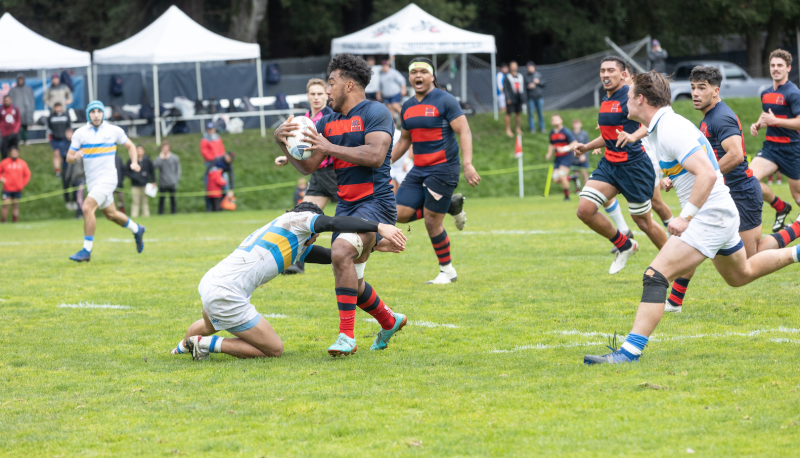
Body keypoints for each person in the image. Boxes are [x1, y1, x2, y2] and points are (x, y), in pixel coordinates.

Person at [584, 71, 800, 365]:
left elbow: (709, 172)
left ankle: (628, 353)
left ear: (641, 99)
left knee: (654, 275)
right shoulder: (663, 125)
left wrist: (685, 217)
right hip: (719, 213)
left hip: (710, 217)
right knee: (740, 275)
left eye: (629, 94)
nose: (624, 101)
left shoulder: (671, 128)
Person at [275, 53, 408, 356]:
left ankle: (346, 337)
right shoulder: (329, 122)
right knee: (350, 276)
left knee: (341, 252)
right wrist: (281, 141)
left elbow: (376, 156)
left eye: (331, 83)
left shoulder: (377, 112)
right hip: (348, 207)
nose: (327, 91)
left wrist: (328, 146)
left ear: (349, 85)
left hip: (377, 203)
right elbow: (309, 167)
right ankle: (389, 320)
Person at [170, 202, 407, 360]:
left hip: (213, 281)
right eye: (315, 235)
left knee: (209, 323)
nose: (314, 240)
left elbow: (331, 256)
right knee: (273, 349)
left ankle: (180, 349)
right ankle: (204, 344)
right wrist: (378, 227)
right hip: (227, 294)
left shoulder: (283, 234)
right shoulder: (301, 221)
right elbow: (334, 223)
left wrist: (373, 245)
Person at [666, 65, 800, 313]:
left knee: (750, 259)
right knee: (691, 236)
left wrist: (708, 177)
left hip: (741, 194)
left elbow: (736, 155)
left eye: (702, 88)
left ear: (716, 91)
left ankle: (797, 230)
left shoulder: (721, 117)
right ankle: (674, 301)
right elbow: (706, 158)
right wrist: (679, 175)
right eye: (693, 87)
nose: (695, 93)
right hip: (722, 193)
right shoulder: (708, 116)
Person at [573, 56, 668, 275]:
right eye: (602, 71)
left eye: (611, 71)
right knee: (585, 210)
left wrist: (634, 136)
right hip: (610, 164)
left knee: (644, 222)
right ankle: (624, 244)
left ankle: (673, 261)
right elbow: (610, 136)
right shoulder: (607, 100)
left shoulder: (631, 96)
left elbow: (653, 122)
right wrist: (587, 146)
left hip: (634, 166)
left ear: (623, 75)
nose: (605, 74)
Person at [392, 57, 481, 284]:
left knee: (432, 221)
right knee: (398, 213)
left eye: (423, 72)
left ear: (432, 76)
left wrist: (468, 164)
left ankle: (447, 271)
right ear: (410, 77)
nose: (418, 76)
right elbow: (404, 141)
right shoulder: (408, 106)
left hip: (443, 168)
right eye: (414, 73)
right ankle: (449, 206)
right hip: (419, 169)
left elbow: (465, 132)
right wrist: (382, 163)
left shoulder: (445, 100)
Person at [66, 100, 145, 262]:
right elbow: (68, 158)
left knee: (87, 207)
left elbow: (130, 146)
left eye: (99, 111)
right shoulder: (80, 133)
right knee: (111, 215)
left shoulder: (113, 130)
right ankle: (137, 229)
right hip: (93, 182)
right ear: (88, 114)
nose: (96, 114)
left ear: (103, 113)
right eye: (93, 111)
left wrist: (134, 162)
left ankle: (86, 251)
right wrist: (75, 156)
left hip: (108, 180)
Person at [275, 78, 337, 275]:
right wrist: (286, 157)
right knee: (302, 219)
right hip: (317, 176)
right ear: (308, 96)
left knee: (351, 220)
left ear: (326, 96)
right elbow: (300, 150)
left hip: (335, 175)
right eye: (313, 94)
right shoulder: (303, 119)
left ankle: (372, 241)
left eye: (320, 94)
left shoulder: (331, 116)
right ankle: (297, 264)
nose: (317, 97)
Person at [749, 49, 800, 233]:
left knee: (798, 197)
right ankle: (780, 206)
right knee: (749, 179)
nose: (775, 69)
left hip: (791, 149)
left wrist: (775, 121)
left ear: (788, 68)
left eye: (780, 65)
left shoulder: (793, 93)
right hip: (770, 148)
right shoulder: (766, 93)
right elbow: (768, 117)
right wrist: (757, 124)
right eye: (772, 65)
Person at [547, 114, 578, 201]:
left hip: (566, 157)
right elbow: (551, 144)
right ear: (551, 122)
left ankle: (567, 197)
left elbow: (574, 143)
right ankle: (572, 178)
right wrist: (549, 153)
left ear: (561, 120)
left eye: (557, 119)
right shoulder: (552, 133)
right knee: (556, 179)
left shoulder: (566, 131)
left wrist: (564, 149)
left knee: (561, 176)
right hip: (557, 158)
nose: (555, 121)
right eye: (553, 119)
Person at [48, 103, 73, 207]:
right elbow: (48, 128)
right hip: (56, 139)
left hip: (64, 140)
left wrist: (68, 136)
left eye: (59, 106)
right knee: (57, 154)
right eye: (56, 107)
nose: (57, 108)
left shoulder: (66, 116)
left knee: (65, 157)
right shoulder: (51, 117)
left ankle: (66, 170)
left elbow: (69, 127)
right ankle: (58, 171)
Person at [0, 147, 30, 223]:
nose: (14, 154)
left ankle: (15, 221)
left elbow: (27, 174)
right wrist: (2, 179)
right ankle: (3, 221)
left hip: (17, 188)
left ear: (18, 153)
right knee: (5, 204)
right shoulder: (4, 162)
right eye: (13, 153)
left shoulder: (22, 163)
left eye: (15, 153)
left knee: (16, 205)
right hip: (7, 188)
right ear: (10, 153)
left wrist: (23, 184)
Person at [201, 122, 226, 211]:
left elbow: (222, 150)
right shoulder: (205, 139)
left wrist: (221, 161)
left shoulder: (218, 138)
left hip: (219, 164)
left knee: (223, 184)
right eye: (209, 129)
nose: (211, 131)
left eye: (212, 129)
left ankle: (222, 206)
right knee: (209, 187)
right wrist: (214, 160)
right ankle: (209, 208)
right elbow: (204, 152)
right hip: (210, 164)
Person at [126, 145, 154, 218]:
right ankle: (134, 216)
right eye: (137, 150)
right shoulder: (131, 160)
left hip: (145, 184)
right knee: (135, 201)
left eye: (140, 150)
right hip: (135, 184)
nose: (139, 152)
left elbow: (152, 171)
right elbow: (126, 171)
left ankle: (146, 215)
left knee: (145, 201)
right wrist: (134, 177)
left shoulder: (147, 160)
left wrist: (153, 181)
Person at [153, 141, 181, 215]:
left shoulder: (174, 158)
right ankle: (161, 214)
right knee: (161, 200)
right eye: (163, 148)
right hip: (163, 183)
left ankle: (174, 213)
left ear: (169, 148)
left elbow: (178, 170)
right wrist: (160, 158)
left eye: (166, 148)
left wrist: (176, 179)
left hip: (172, 182)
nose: (165, 150)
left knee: (173, 200)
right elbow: (155, 167)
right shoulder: (159, 158)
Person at [8, 74, 34, 145]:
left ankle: (25, 140)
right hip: (16, 112)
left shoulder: (28, 89)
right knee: (17, 127)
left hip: (26, 112)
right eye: (19, 79)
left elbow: (32, 101)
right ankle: (18, 141)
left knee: (25, 126)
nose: (20, 81)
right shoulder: (13, 90)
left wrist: (30, 110)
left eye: (21, 79)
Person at [503, 61, 525, 138]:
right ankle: (508, 130)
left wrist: (523, 97)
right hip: (511, 99)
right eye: (512, 66)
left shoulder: (520, 76)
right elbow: (505, 89)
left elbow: (523, 88)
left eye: (515, 66)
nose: (514, 68)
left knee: (518, 113)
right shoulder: (507, 77)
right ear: (510, 67)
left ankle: (518, 128)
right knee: (508, 114)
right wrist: (508, 98)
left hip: (518, 98)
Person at [524, 61, 546, 133]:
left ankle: (542, 128)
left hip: (539, 97)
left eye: (531, 67)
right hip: (530, 98)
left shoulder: (538, 74)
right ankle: (532, 129)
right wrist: (528, 87)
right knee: (531, 114)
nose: (530, 68)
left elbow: (544, 83)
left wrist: (539, 82)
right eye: (528, 67)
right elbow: (523, 87)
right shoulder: (525, 76)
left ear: (534, 67)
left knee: (540, 113)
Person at [570, 118, 590, 187]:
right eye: (575, 124)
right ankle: (577, 189)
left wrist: (584, 155)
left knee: (584, 173)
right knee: (576, 175)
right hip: (574, 158)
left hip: (583, 157)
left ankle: (586, 188)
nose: (576, 126)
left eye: (577, 124)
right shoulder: (570, 134)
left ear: (581, 124)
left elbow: (588, 145)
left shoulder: (584, 134)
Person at [1, 95, 21, 160]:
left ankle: (14, 165)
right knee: (4, 150)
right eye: (5, 101)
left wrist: (16, 130)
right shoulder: (1, 109)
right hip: (4, 134)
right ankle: (4, 165)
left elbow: (18, 120)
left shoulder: (15, 108)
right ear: (3, 101)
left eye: (8, 100)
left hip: (13, 133)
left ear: (11, 100)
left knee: (14, 150)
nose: (7, 102)